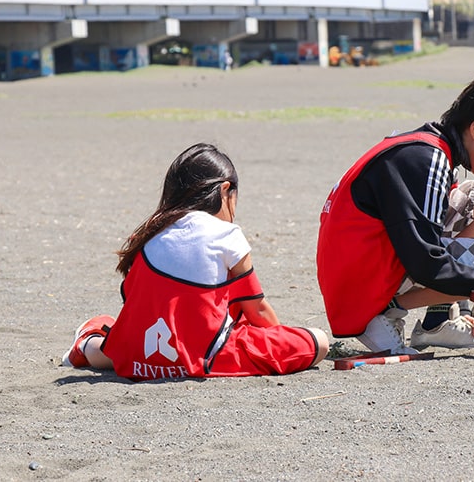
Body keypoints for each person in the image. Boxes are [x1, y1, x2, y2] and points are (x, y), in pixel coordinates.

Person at [317, 59, 474, 354]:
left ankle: (436, 322)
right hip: (360, 287)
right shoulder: (429, 159)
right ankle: (385, 313)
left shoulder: (424, 146)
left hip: (353, 267)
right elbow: (427, 263)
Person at [62, 143, 329, 380]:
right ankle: (93, 339)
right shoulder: (227, 234)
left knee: (120, 350)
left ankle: (87, 342)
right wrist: (279, 339)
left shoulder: (150, 231)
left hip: (141, 357)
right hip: (203, 356)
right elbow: (258, 312)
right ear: (226, 190)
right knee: (318, 341)